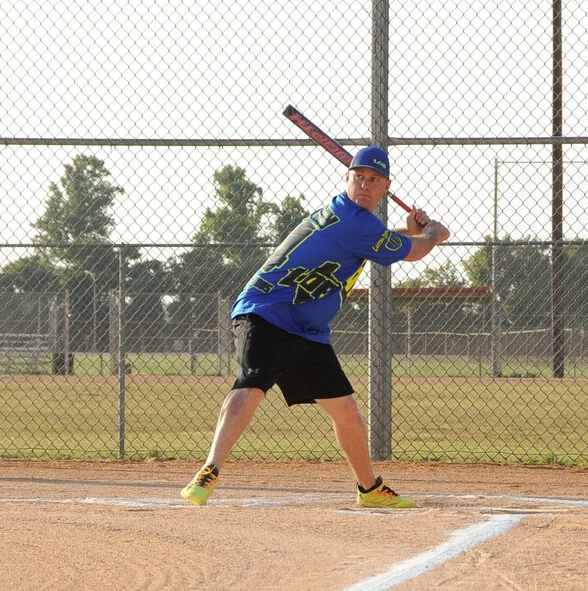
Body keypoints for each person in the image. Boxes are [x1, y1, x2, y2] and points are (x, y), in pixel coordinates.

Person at [180, 146, 450, 509]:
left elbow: (378, 240)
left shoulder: (354, 223)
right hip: (267, 310)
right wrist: (432, 233)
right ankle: (208, 472)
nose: (365, 185)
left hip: (306, 329)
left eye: (374, 179)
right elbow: (410, 250)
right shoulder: (353, 219)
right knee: (253, 384)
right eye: (359, 177)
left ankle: (369, 489)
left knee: (346, 411)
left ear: (385, 186)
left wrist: (412, 232)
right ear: (347, 179)